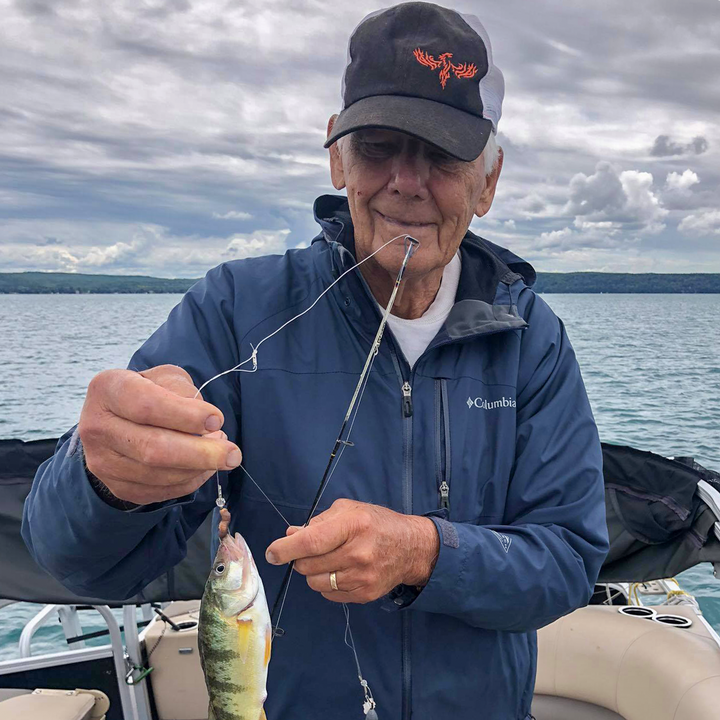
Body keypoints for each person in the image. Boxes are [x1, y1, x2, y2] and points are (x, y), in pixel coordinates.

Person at [22, 3, 609, 719]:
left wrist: (423, 552)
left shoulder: (531, 340)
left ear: (488, 182)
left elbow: (569, 563)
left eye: (443, 154)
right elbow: (78, 559)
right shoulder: (234, 309)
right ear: (337, 155)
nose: (406, 180)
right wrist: (107, 480)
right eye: (380, 145)